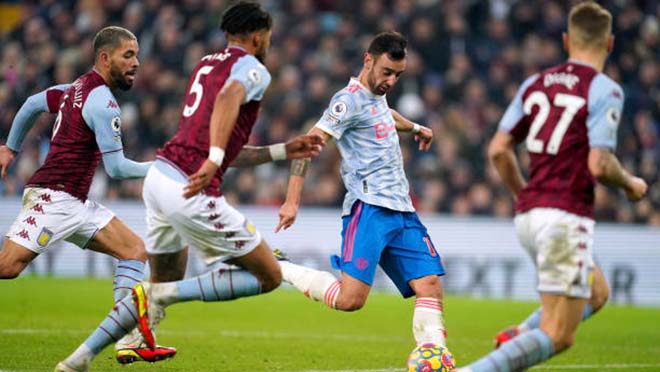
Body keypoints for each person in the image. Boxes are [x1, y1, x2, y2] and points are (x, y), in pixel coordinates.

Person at [53, 3, 322, 371]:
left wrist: (280, 151)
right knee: (269, 275)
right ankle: (157, 293)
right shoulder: (254, 69)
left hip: (161, 178)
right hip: (191, 190)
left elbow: (221, 142)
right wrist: (212, 160)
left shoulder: (205, 64)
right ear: (259, 36)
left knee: (164, 279)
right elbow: (228, 105)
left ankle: (77, 360)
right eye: (269, 37)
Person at [456, 3, 648, 371]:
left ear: (565, 41)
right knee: (559, 334)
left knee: (598, 292)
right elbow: (599, 163)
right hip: (564, 216)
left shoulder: (535, 83)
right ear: (609, 44)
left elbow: (498, 150)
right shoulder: (604, 89)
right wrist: (629, 183)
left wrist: (522, 195)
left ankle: (517, 336)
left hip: (531, 214)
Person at [0, 26, 177, 366]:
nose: (136, 63)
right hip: (52, 198)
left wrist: (10, 147)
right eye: (128, 55)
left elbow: (31, 104)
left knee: (135, 250)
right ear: (104, 57)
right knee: (7, 267)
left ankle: (129, 337)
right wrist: (165, 168)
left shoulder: (75, 88)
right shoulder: (104, 103)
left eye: (137, 55)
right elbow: (118, 170)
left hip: (75, 202)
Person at [275, 31, 448, 349]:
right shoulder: (347, 101)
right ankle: (279, 267)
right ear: (368, 60)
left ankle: (434, 360)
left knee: (430, 285)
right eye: (387, 72)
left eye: (398, 75)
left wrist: (416, 128)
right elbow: (307, 146)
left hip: (402, 209)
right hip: (368, 208)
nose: (392, 81)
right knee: (350, 300)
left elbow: (384, 116)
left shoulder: (377, 96)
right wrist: (292, 201)